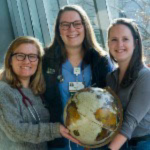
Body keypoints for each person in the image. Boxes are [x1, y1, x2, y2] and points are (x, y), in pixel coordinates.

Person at [42, 4, 113, 150]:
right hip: (60, 141)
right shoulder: (46, 60)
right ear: (58, 30)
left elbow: (112, 100)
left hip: (95, 139)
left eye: (76, 24)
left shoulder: (100, 61)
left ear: (85, 26)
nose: (71, 29)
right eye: (65, 25)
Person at [0, 36, 79, 150]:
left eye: (32, 56)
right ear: (10, 60)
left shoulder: (37, 92)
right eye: (20, 55)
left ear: (38, 62)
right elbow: (16, 131)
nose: (27, 61)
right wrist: (55, 130)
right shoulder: (3, 90)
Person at [106, 18, 150, 150]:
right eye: (114, 39)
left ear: (135, 43)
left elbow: (129, 123)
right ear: (108, 44)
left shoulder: (146, 76)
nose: (119, 44)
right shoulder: (110, 77)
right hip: (120, 144)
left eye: (125, 39)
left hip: (143, 144)